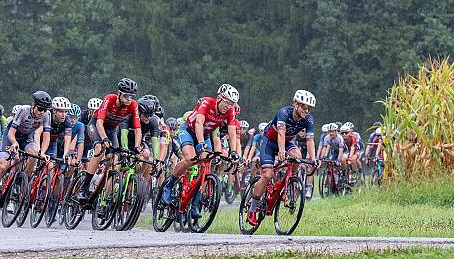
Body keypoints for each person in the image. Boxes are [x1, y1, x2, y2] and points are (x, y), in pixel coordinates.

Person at [160, 84, 242, 219]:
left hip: (206, 135)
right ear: (219, 98)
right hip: (189, 130)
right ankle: (168, 186)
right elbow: (198, 123)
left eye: (232, 103)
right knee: (189, 158)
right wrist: (202, 143)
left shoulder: (230, 111)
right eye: (227, 102)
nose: (228, 106)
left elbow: (232, 133)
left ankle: (195, 203)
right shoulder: (207, 102)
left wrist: (233, 152)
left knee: (206, 164)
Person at [247, 90, 317, 224]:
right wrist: (281, 150)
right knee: (267, 175)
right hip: (270, 141)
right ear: (296, 104)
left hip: (287, 142)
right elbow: (280, 133)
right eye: (304, 106)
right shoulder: (284, 113)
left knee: (298, 156)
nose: (306, 110)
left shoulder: (308, 119)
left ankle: (291, 179)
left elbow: (309, 140)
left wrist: (313, 158)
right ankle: (252, 208)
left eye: (309, 108)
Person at [0, 91, 52, 215]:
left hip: (27, 138)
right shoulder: (23, 110)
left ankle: (18, 185)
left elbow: (46, 137)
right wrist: (14, 143)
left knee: (35, 154)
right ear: (33, 105)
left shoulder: (47, 115)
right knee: (3, 166)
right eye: (40, 108)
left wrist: (43, 153)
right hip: (11, 137)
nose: (42, 112)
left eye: (45, 110)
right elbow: (11, 132)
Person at [76, 78, 143, 202]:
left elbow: (138, 129)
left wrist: (137, 146)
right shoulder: (109, 98)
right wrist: (104, 139)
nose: (129, 99)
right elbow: (99, 122)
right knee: (99, 149)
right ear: (119, 93)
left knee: (115, 159)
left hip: (112, 130)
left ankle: (104, 195)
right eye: (127, 96)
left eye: (131, 96)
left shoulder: (133, 105)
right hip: (96, 125)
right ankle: (83, 188)